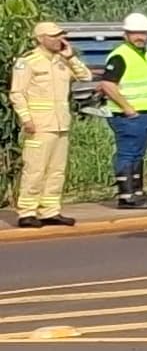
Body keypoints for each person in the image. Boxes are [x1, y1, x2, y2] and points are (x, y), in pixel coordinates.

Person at [12, 20, 81, 228]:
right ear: (40, 39)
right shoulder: (28, 62)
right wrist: (26, 118)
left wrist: (70, 57)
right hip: (39, 125)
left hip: (61, 123)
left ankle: (50, 210)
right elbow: (17, 93)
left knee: (56, 170)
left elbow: (84, 76)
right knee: (35, 169)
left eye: (61, 35)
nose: (60, 39)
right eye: (54, 36)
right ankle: (27, 211)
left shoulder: (62, 60)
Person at [95, 13, 147, 210]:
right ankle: (126, 196)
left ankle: (137, 192)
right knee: (127, 154)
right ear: (126, 35)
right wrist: (127, 108)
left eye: (143, 33)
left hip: (145, 113)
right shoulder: (120, 55)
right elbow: (107, 84)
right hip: (127, 116)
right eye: (135, 33)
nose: (140, 36)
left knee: (138, 154)